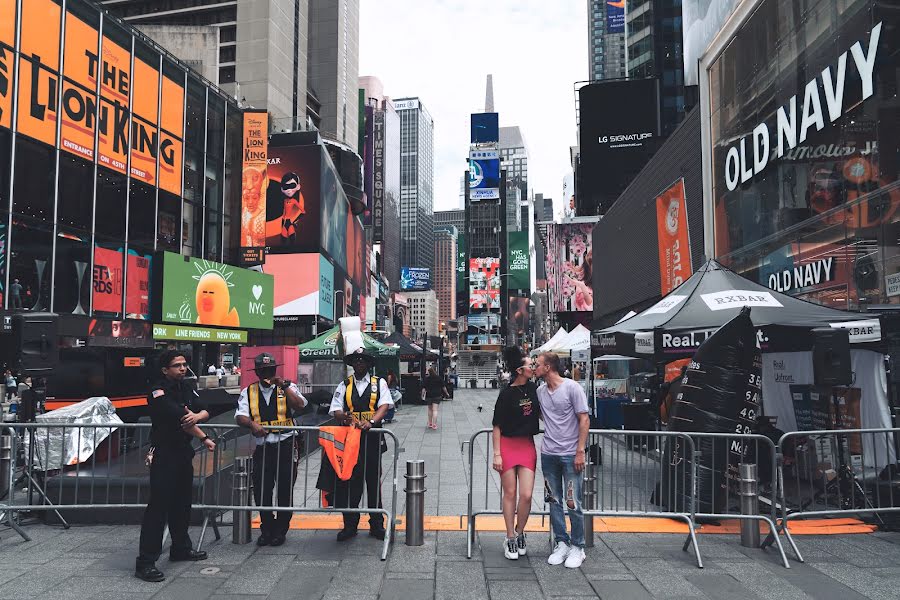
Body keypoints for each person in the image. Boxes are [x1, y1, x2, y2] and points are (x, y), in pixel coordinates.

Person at [136, 350, 215, 582]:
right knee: (158, 509)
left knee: (182, 503)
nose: (182, 368)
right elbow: (181, 417)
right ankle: (146, 562)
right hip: (164, 455)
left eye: (184, 364)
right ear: (165, 369)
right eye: (177, 365)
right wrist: (203, 436)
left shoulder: (186, 387)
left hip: (182, 453)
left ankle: (180, 548)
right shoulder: (157, 391)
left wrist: (198, 417)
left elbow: (205, 409)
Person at [235, 353, 307, 547]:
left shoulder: (287, 387)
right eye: (263, 370)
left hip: (286, 443)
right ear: (257, 372)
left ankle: (280, 530)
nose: (267, 373)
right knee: (261, 490)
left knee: (285, 489)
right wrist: (252, 424)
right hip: (263, 446)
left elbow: (300, 405)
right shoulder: (248, 391)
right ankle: (266, 529)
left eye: (270, 370)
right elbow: (240, 416)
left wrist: (283, 385)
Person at [329, 349, 394, 541]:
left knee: (373, 482)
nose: (359, 364)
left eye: (362, 361)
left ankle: (376, 525)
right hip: (350, 440)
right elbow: (335, 409)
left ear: (368, 364)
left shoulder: (379, 383)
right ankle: (350, 525)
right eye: (356, 361)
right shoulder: (344, 385)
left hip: (372, 438)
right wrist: (343, 416)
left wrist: (372, 422)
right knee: (350, 483)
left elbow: (385, 405)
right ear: (352, 365)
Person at [534, 351, 590, 569]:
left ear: (548, 367)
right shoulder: (540, 391)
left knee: (572, 501)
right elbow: (542, 414)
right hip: (548, 453)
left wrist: (580, 451)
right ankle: (561, 542)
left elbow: (584, 419)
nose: (535, 368)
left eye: (538, 364)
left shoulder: (572, 388)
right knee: (553, 500)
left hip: (570, 453)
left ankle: (578, 546)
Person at [492, 347, 540, 560]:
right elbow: (496, 426)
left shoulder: (535, 389)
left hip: (527, 445)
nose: (533, 367)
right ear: (520, 370)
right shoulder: (506, 394)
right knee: (510, 493)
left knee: (527, 495)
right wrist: (496, 454)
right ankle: (510, 536)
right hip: (508, 445)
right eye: (530, 365)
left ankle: (521, 532)